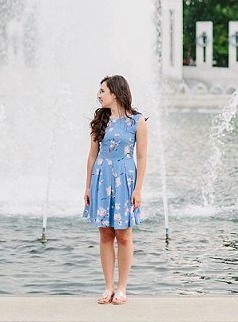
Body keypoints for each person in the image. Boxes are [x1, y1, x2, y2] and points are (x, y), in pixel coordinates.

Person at [83, 75, 147, 305]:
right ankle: (108, 287)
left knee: (123, 234)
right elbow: (92, 155)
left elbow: (141, 156)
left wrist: (138, 189)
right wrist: (88, 186)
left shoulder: (137, 122)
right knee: (105, 233)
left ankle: (122, 288)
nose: (99, 95)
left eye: (103, 91)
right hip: (101, 178)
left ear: (115, 93)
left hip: (124, 180)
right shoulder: (100, 120)